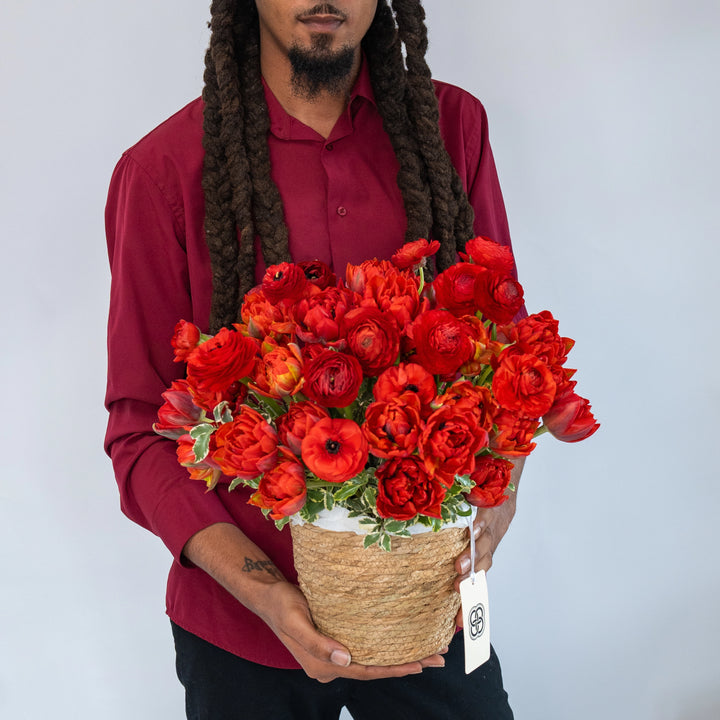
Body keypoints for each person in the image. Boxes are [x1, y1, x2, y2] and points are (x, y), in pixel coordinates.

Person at [105, 1, 525, 717]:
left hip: (427, 603)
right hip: (240, 631)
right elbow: (141, 430)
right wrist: (266, 594)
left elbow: (506, 357)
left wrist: (500, 490)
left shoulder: (451, 129)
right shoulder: (162, 171)